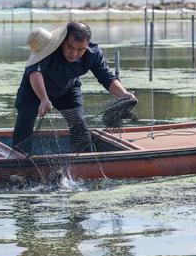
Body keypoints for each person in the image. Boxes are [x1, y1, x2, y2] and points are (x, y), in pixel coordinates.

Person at [12, 21, 136, 155]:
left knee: (79, 125)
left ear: (87, 45)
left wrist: (123, 94)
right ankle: (18, 161)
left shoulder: (93, 53)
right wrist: (43, 99)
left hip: (68, 90)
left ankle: (83, 161)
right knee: (25, 120)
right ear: (63, 41)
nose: (75, 53)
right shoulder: (47, 48)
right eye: (71, 47)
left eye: (80, 49)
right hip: (35, 90)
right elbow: (35, 73)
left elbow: (107, 77)